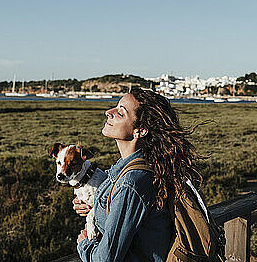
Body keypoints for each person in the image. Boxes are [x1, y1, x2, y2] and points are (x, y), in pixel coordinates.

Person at [74, 87, 202, 262]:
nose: (108, 112)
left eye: (120, 113)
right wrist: (96, 207)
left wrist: (84, 245)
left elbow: (105, 259)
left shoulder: (132, 182)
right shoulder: (146, 165)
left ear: (140, 130)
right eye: (115, 107)